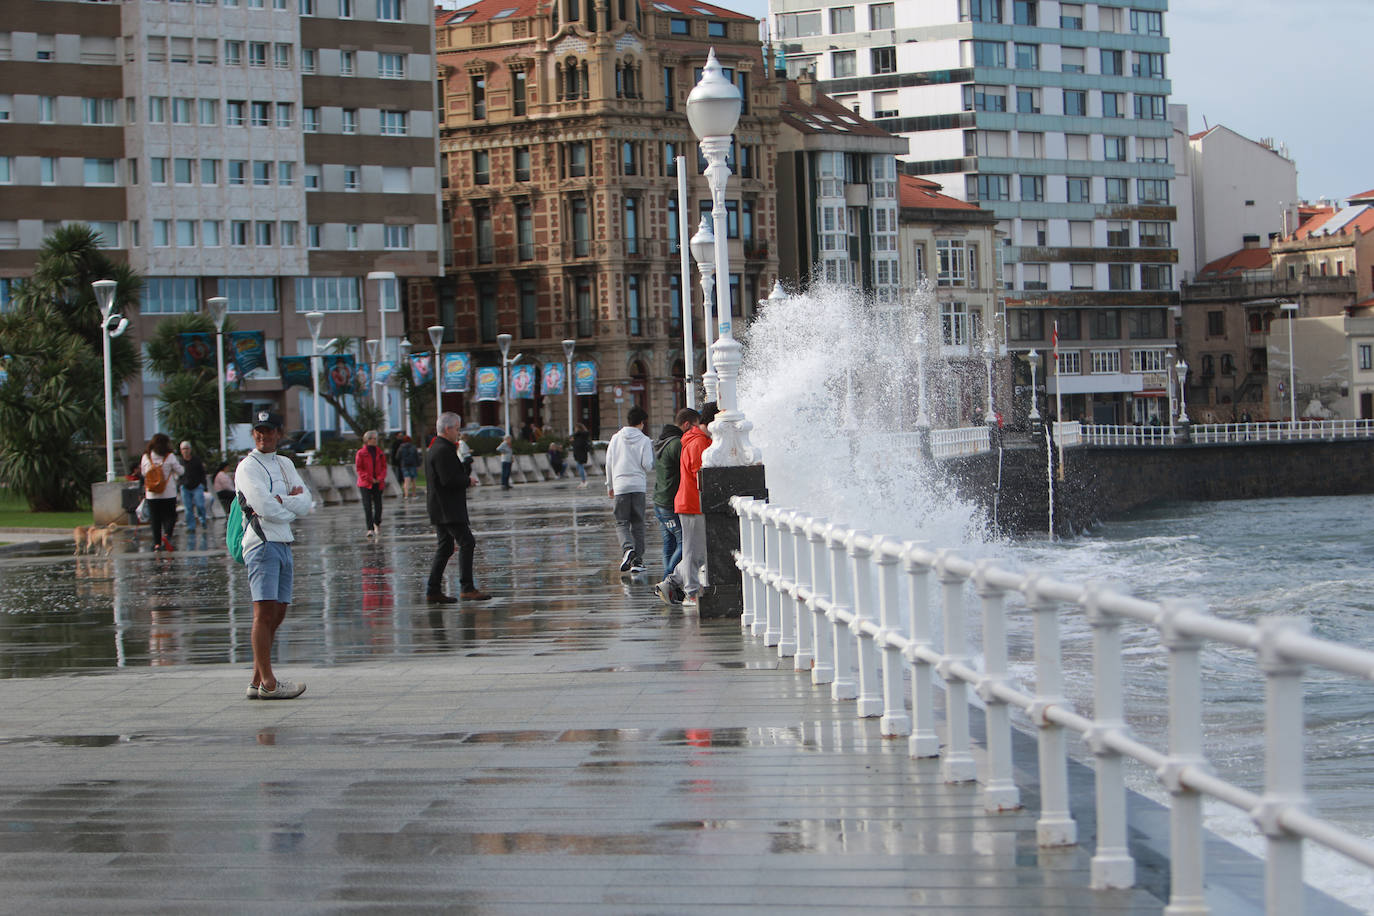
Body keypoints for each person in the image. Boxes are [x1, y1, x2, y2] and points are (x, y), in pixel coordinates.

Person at [235, 410, 312, 700]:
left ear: (279, 433)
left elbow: (306, 502)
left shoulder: (285, 463)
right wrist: (287, 508)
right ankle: (268, 682)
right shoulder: (247, 467)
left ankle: (257, 678)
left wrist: (287, 503)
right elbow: (264, 507)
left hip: (283, 541)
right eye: (258, 430)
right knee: (263, 612)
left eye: (268, 430)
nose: (262, 435)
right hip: (261, 543)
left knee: (278, 612)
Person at [425, 411, 491, 603]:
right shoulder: (443, 450)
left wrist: (464, 470)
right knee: (467, 542)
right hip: (448, 509)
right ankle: (467, 588)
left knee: (445, 548)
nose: (458, 432)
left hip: (440, 507)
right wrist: (467, 480)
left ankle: (433, 590)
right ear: (447, 429)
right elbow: (448, 480)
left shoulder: (437, 447)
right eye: (456, 428)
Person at [656, 403, 714, 608]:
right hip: (691, 503)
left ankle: (671, 582)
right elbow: (700, 474)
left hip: (691, 503)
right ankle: (690, 592)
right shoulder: (698, 442)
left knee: (699, 551)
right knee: (691, 550)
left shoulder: (699, 440)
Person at [605, 405, 654, 573]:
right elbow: (647, 465)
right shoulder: (645, 440)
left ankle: (627, 549)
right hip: (638, 486)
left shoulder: (615, 438)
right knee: (638, 523)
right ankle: (637, 560)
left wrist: (610, 485)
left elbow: (609, 463)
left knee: (621, 522)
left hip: (620, 486)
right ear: (641, 423)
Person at [652, 408, 696, 580]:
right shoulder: (677, 443)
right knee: (684, 542)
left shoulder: (664, 440)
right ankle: (667, 581)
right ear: (686, 424)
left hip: (660, 500)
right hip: (669, 502)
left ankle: (667, 582)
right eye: (694, 426)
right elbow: (689, 465)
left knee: (669, 544)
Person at [141, 433, 184, 552]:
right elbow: (180, 471)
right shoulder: (169, 456)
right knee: (170, 516)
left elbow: (144, 473)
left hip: (151, 493)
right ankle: (167, 536)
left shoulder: (146, 456)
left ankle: (157, 544)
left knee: (155, 519)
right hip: (168, 493)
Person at [355, 429, 388, 538]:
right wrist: (369, 478)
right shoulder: (361, 453)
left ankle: (377, 523)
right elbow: (359, 469)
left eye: (376, 438)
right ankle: (369, 528)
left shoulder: (380, 453)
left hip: (378, 483)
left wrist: (379, 478)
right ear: (367, 440)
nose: (375, 440)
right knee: (367, 506)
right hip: (365, 483)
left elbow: (384, 467)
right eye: (374, 438)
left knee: (379, 506)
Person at [178, 441, 208, 536]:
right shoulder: (180, 462)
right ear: (181, 451)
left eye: (187, 448)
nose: (185, 451)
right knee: (188, 508)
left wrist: (204, 485)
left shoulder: (196, 460)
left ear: (190, 450)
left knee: (200, 505)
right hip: (185, 487)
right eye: (183, 449)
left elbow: (202, 473)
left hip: (197, 486)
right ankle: (191, 527)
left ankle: (203, 521)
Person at [398, 435, 420, 499]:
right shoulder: (413, 447)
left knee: (406, 480)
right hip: (413, 465)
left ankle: (406, 495)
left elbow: (398, 456)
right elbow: (417, 457)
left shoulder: (401, 447)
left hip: (404, 465)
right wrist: (418, 465)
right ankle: (414, 495)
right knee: (413, 481)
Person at [570, 422, 591, 488]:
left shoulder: (580, 436)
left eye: (576, 428)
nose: (575, 430)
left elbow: (579, 444)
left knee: (580, 467)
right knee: (579, 467)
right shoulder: (580, 436)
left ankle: (583, 481)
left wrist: (573, 440)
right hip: (579, 453)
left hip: (580, 453)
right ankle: (583, 481)